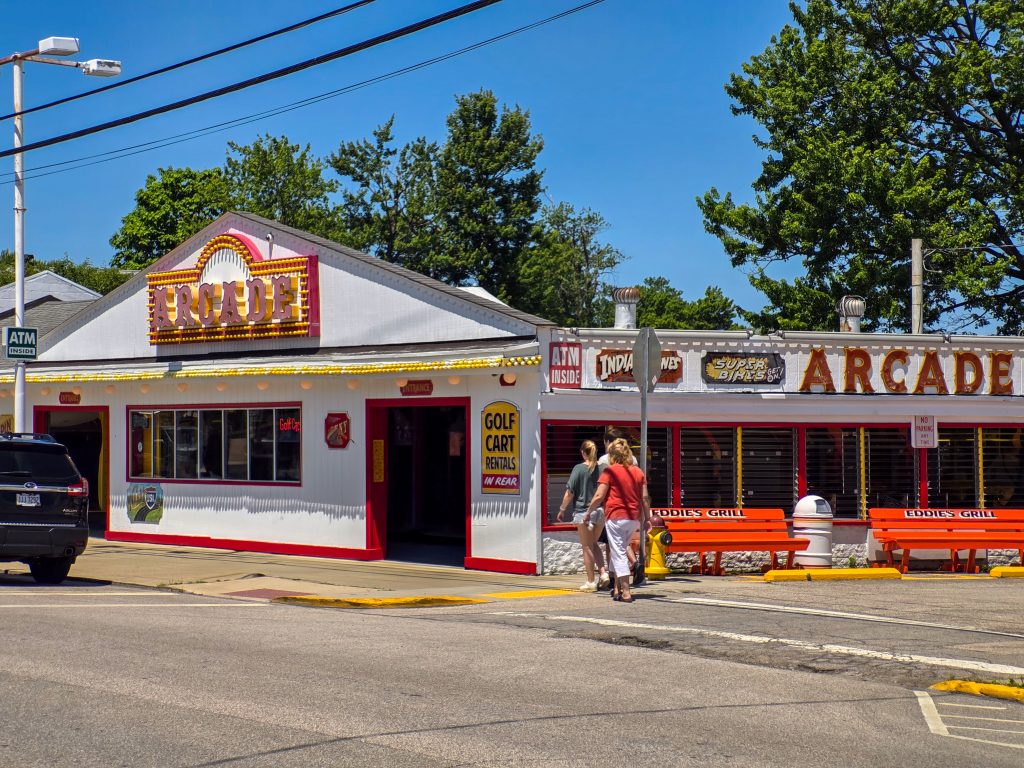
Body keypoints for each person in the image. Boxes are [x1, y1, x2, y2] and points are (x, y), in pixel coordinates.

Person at [584, 438, 651, 603]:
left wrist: (588, 511)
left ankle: (626, 592)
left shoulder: (610, 471)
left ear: (612, 455)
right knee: (617, 550)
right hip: (633, 519)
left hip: (616, 516)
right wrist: (647, 518)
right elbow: (645, 497)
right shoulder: (638, 472)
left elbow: (599, 495)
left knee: (619, 553)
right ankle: (616, 588)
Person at [556, 440, 609, 591]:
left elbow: (569, 492)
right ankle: (604, 574)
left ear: (583, 452)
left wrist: (562, 509)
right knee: (594, 544)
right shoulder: (603, 468)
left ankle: (591, 581)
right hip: (600, 512)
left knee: (587, 547)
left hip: (583, 512)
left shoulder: (578, 469)